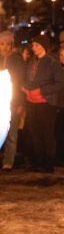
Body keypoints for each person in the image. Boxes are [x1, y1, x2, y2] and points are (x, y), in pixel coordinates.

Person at [22, 35, 64, 173]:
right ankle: (38, 161)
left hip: (46, 103)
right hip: (32, 102)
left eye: (36, 45)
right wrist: (25, 88)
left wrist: (42, 90)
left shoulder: (53, 62)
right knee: (35, 132)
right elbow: (28, 78)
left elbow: (60, 83)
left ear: (43, 47)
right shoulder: (32, 62)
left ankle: (48, 163)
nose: (33, 48)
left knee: (47, 133)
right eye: (33, 45)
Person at [0, 31, 25, 170]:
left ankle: (8, 162)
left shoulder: (16, 60)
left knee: (11, 133)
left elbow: (20, 82)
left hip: (12, 102)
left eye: (7, 44)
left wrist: (20, 103)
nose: (4, 47)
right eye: (2, 44)